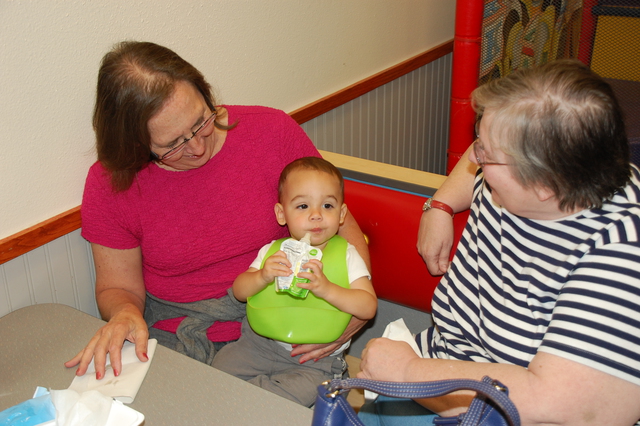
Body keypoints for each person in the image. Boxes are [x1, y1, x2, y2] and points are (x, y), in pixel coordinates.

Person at [64, 41, 370, 381]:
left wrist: (351, 316)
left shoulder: (271, 132)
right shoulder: (112, 182)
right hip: (177, 338)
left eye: (201, 121)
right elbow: (117, 287)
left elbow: (346, 233)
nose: (197, 147)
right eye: (172, 144)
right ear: (135, 147)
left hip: (288, 325)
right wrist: (124, 313)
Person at [358, 59, 640, 426]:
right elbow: (479, 158)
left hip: (491, 410)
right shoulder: (536, 172)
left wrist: (408, 373)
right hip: (439, 364)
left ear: (545, 184)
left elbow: (568, 409)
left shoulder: (620, 251)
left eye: (485, 155)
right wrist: (440, 205)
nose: (474, 158)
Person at [212, 157, 377, 406]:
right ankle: (255, 401)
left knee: (287, 397)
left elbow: (368, 307)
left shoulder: (347, 255)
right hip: (259, 345)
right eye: (302, 206)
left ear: (342, 214)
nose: (316, 215)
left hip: (314, 361)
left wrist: (327, 289)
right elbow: (240, 291)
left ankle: (256, 401)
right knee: (217, 371)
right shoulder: (272, 251)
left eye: (327, 206)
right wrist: (262, 276)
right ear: (282, 214)